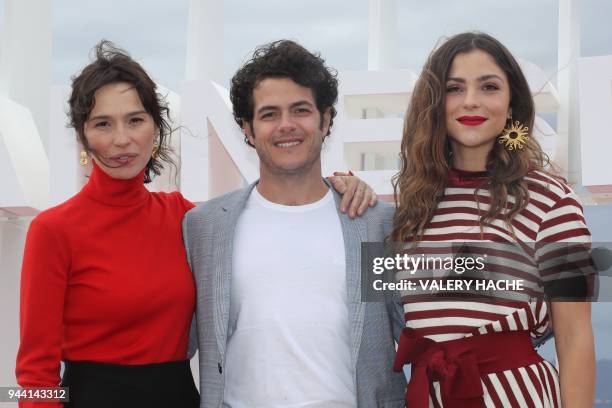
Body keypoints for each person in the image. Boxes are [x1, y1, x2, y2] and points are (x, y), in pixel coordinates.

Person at [15, 41, 374, 408]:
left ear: (155, 130)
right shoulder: (54, 230)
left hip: (178, 397)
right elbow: (34, 374)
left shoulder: (187, 219)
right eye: (103, 124)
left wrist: (341, 184)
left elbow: (276, 207)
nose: (121, 139)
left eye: (135, 120)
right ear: (82, 136)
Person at [183, 40, 407, 408]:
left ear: (327, 119)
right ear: (248, 129)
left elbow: (416, 330)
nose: (286, 125)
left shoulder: (371, 224)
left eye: (300, 110)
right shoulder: (205, 227)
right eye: (269, 114)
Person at [391, 32, 595, 407]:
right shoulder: (413, 207)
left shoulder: (553, 200)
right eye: (454, 88)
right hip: (429, 393)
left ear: (511, 102)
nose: (471, 101)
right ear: (434, 104)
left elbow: (575, 338)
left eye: (489, 87)